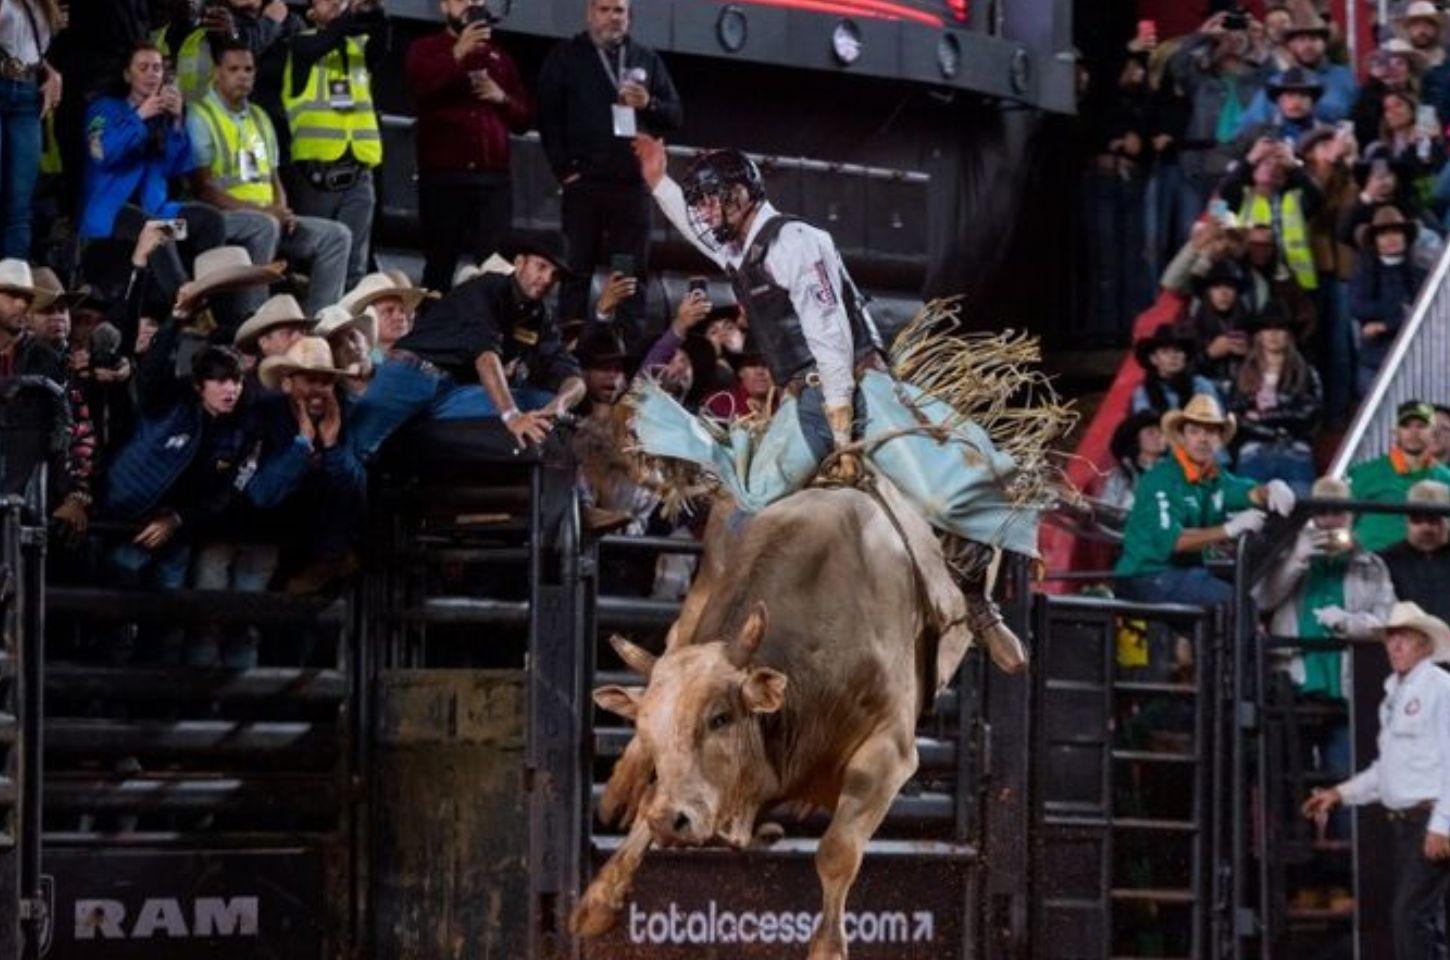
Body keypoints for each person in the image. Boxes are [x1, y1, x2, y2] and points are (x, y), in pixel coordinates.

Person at [632, 136, 1058, 668]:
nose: (708, 213)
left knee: (944, 493)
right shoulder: (738, 247)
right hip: (801, 399)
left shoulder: (795, 243)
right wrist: (658, 181)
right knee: (748, 501)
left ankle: (979, 606)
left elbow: (829, 333)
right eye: (704, 203)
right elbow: (695, 230)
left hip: (852, 388)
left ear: (744, 195)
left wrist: (839, 423)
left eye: (715, 200)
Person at [348, 233, 585, 460]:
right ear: (519, 262)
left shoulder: (540, 317)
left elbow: (574, 377)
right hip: (412, 373)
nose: (546, 279)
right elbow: (486, 356)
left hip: (453, 392)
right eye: (541, 266)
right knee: (356, 447)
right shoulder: (486, 288)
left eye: (555, 275)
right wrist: (512, 416)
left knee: (542, 401)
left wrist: (559, 406)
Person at [1302, 602, 1450, 960]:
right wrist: (1341, 792)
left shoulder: (1440, 687)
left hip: (1427, 818)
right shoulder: (1395, 695)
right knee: (1419, 916)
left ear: (1425, 645)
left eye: (1406, 638)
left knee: (1410, 915)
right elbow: (1387, 769)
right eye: (1392, 637)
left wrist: (1443, 823)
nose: (1396, 645)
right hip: (1408, 822)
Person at [537, 0, 683, 347]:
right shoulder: (567, 57)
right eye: (605, 9)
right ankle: (565, 353)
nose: (613, 17)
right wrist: (564, 172)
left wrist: (650, 103)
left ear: (629, 16)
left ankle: (626, 353)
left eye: (620, 10)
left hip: (631, 189)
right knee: (575, 271)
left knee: (629, 274)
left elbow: (675, 115)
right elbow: (547, 117)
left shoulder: (645, 59)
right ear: (590, 13)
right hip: (584, 185)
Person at [187, 41, 351, 319]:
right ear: (217, 73)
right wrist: (265, 213)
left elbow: (273, 177)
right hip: (223, 218)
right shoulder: (200, 116)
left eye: (248, 69)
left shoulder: (261, 118)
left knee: (336, 236)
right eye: (234, 69)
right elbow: (203, 189)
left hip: (268, 217)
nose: (243, 76)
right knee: (263, 226)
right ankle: (257, 320)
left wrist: (282, 210)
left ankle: (322, 323)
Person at [1113, 393, 1297, 606]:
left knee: (1238, 592)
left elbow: (1249, 492)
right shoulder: (1161, 479)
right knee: (1235, 603)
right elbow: (1174, 542)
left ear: (1219, 440)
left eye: (1210, 431)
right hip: (1145, 575)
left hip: (1182, 574)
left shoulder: (1216, 478)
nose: (1202, 438)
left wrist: (1272, 488)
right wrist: (1229, 529)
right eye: (1194, 431)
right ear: (1182, 437)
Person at [79, 43, 228, 294]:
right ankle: (183, 301)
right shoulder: (103, 109)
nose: (152, 74)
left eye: (157, 68)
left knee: (210, 221)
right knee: (153, 229)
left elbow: (176, 168)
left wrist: (178, 121)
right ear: (128, 75)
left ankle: (209, 299)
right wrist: (138, 118)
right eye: (143, 67)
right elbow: (103, 155)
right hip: (111, 219)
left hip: (156, 214)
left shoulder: (164, 116)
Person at [406, 0, 532, 294]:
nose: (473, 5)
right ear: (444, 6)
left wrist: (502, 98)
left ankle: (484, 334)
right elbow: (420, 90)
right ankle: (430, 331)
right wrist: (458, 53)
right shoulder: (426, 49)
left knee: (495, 267)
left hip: (493, 181)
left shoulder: (500, 57)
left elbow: (524, 118)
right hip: (444, 177)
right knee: (439, 265)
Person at [244, 335, 366, 598]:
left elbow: (355, 488)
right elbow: (262, 493)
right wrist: (302, 445)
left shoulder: (343, 411)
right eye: (311, 380)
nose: (320, 390)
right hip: (269, 542)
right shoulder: (265, 413)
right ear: (287, 383)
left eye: (327, 382)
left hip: (324, 555)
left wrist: (331, 445)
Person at [282, 0, 387, 289]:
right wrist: (350, 15)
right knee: (317, 255)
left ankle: (346, 325)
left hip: (359, 170)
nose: (337, 4)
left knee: (355, 263)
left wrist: (374, 9)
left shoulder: (357, 47)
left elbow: (381, 41)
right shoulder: (299, 45)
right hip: (317, 174)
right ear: (310, 12)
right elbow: (323, 43)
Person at [1168, 11, 1273, 217]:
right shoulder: (1202, 80)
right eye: (1226, 37)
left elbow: (1278, 80)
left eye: (1238, 37)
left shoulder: (1255, 81)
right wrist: (1201, 35)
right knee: (1195, 228)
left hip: (1241, 164)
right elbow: (1177, 67)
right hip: (1198, 166)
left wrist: (1260, 42)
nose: (1232, 42)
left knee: (1234, 225)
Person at [1224, 304, 1322, 492]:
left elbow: (1309, 414)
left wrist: (1262, 417)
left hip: (1294, 449)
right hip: (1253, 449)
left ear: (1289, 335)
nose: (1273, 334)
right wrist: (1272, 428)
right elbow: (1234, 415)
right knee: (1248, 516)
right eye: (1267, 329)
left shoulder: (1306, 373)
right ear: (1258, 335)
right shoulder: (1241, 373)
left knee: (1299, 515)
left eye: (1279, 328)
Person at [0, 0, 62, 259]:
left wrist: (51, 73)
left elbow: (31, 52)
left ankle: (13, 291)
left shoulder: (43, 5)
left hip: (27, 94)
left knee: (20, 206)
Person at [1349, 400, 1450, 550]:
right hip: (1373, 565)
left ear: (1432, 432)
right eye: (1406, 425)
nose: (1414, 433)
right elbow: (1342, 521)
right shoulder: (1364, 473)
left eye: (1421, 426)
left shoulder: (1445, 478)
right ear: (1395, 431)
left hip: (1426, 566)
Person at [1350, 205, 1426, 395]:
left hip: (1415, 358)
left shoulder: (1421, 275)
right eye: (1384, 234)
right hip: (1375, 359)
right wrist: (1398, 312)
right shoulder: (1364, 274)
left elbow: (1422, 313)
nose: (1391, 239)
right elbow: (1359, 308)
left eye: (1396, 233)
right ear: (1375, 241)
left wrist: (1384, 325)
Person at [1381, 479, 1450, 624]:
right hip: (1407, 641)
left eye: (1433, 519)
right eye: (1417, 519)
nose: (1425, 527)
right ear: (1406, 521)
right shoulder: (1387, 560)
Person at [338, 269, 434, 358]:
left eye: (402, 310)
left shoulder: (417, 355)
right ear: (367, 317)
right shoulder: (359, 360)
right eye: (389, 310)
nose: (401, 317)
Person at [1129, 323, 1218, 415]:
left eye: (1178, 351)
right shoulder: (1143, 393)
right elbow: (1144, 424)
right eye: (1165, 352)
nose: (1173, 356)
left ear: (1185, 357)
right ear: (1153, 359)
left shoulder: (1202, 386)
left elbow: (1215, 420)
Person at [1099, 409, 1166, 513]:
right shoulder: (1120, 475)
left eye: (1161, 432)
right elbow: (1105, 508)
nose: (1159, 436)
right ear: (1137, 439)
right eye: (1151, 432)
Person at [232, 293, 313, 361]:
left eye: (302, 332)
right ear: (264, 342)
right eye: (289, 333)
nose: (298, 338)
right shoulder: (246, 379)